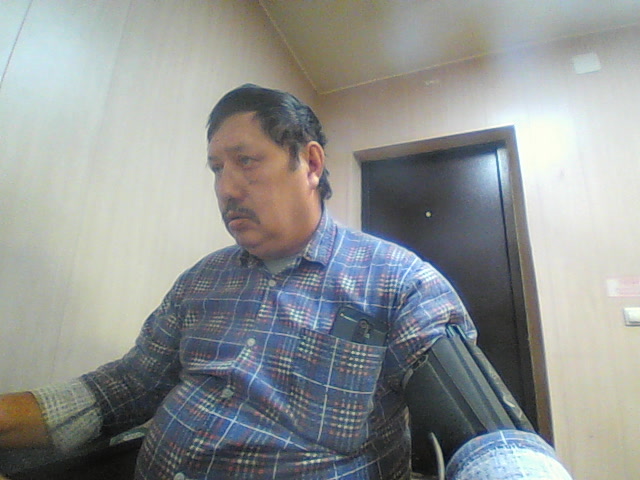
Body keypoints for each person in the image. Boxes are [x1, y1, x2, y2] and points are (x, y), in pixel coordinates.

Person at [0, 85, 573, 479]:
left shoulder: (398, 281)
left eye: (246, 161)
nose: (226, 188)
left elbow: (488, 435)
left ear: (311, 164)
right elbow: (124, 388)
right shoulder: (200, 281)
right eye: (217, 168)